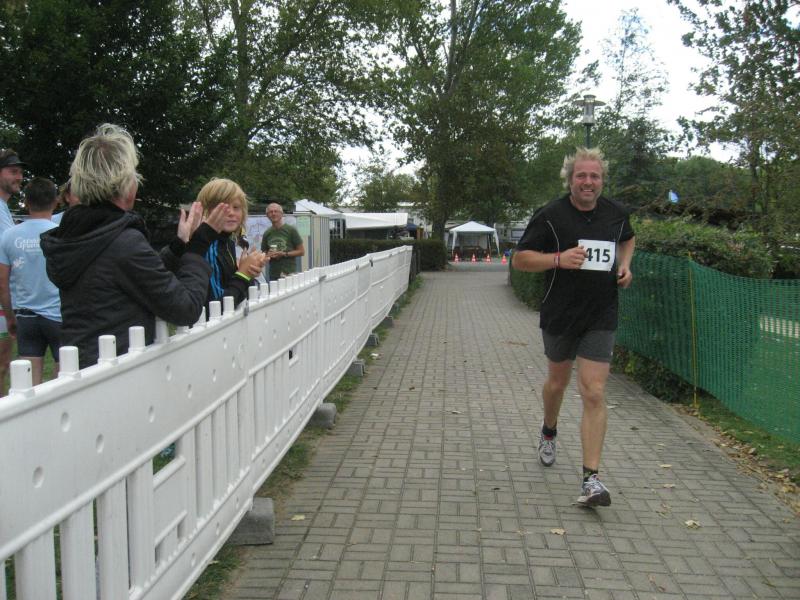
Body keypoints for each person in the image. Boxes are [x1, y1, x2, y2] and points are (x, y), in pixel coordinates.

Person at [40, 123, 231, 368]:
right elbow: (185, 308)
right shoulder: (122, 242)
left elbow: (136, 277)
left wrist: (179, 246)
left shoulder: (78, 234)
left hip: (83, 367)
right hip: (117, 372)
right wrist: (198, 246)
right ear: (125, 185)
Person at [512, 147, 635, 507]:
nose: (588, 182)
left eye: (594, 176)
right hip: (561, 314)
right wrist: (558, 259)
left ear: (602, 180)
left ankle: (591, 480)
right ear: (570, 179)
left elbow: (627, 239)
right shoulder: (550, 215)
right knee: (557, 384)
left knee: (594, 390)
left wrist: (625, 265)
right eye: (581, 175)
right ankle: (549, 430)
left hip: (601, 314)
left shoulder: (616, 213)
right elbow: (520, 259)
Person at [161, 178, 267, 307]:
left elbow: (235, 291)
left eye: (236, 207)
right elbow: (218, 305)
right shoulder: (208, 246)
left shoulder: (228, 242)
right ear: (205, 210)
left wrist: (247, 272)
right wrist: (243, 275)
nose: (231, 213)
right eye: (223, 207)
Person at [0, 177, 61, 385]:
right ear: (56, 201)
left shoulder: (9, 236)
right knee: (63, 377)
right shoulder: (61, 234)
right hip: (58, 315)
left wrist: (10, 317)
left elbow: (3, 284)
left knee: (29, 384)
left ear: (26, 202)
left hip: (26, 317)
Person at [0, 149, 27, 394]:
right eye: (13, 171)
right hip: (2, 300)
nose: (19, 177)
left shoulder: (4, 209)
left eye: (20, 172)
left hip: (5, 300)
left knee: (4, 366)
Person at [260, 202, 304, 281]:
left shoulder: (291, 230)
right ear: (267, 215)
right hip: (273, 274)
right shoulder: (267, 233)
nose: (273, 214)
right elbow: (263, 253)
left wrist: (284, 254)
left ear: (281, 214)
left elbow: (301, 251)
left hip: (289, 274)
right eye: (270, 212)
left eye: (276, 211)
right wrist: (268, 255)